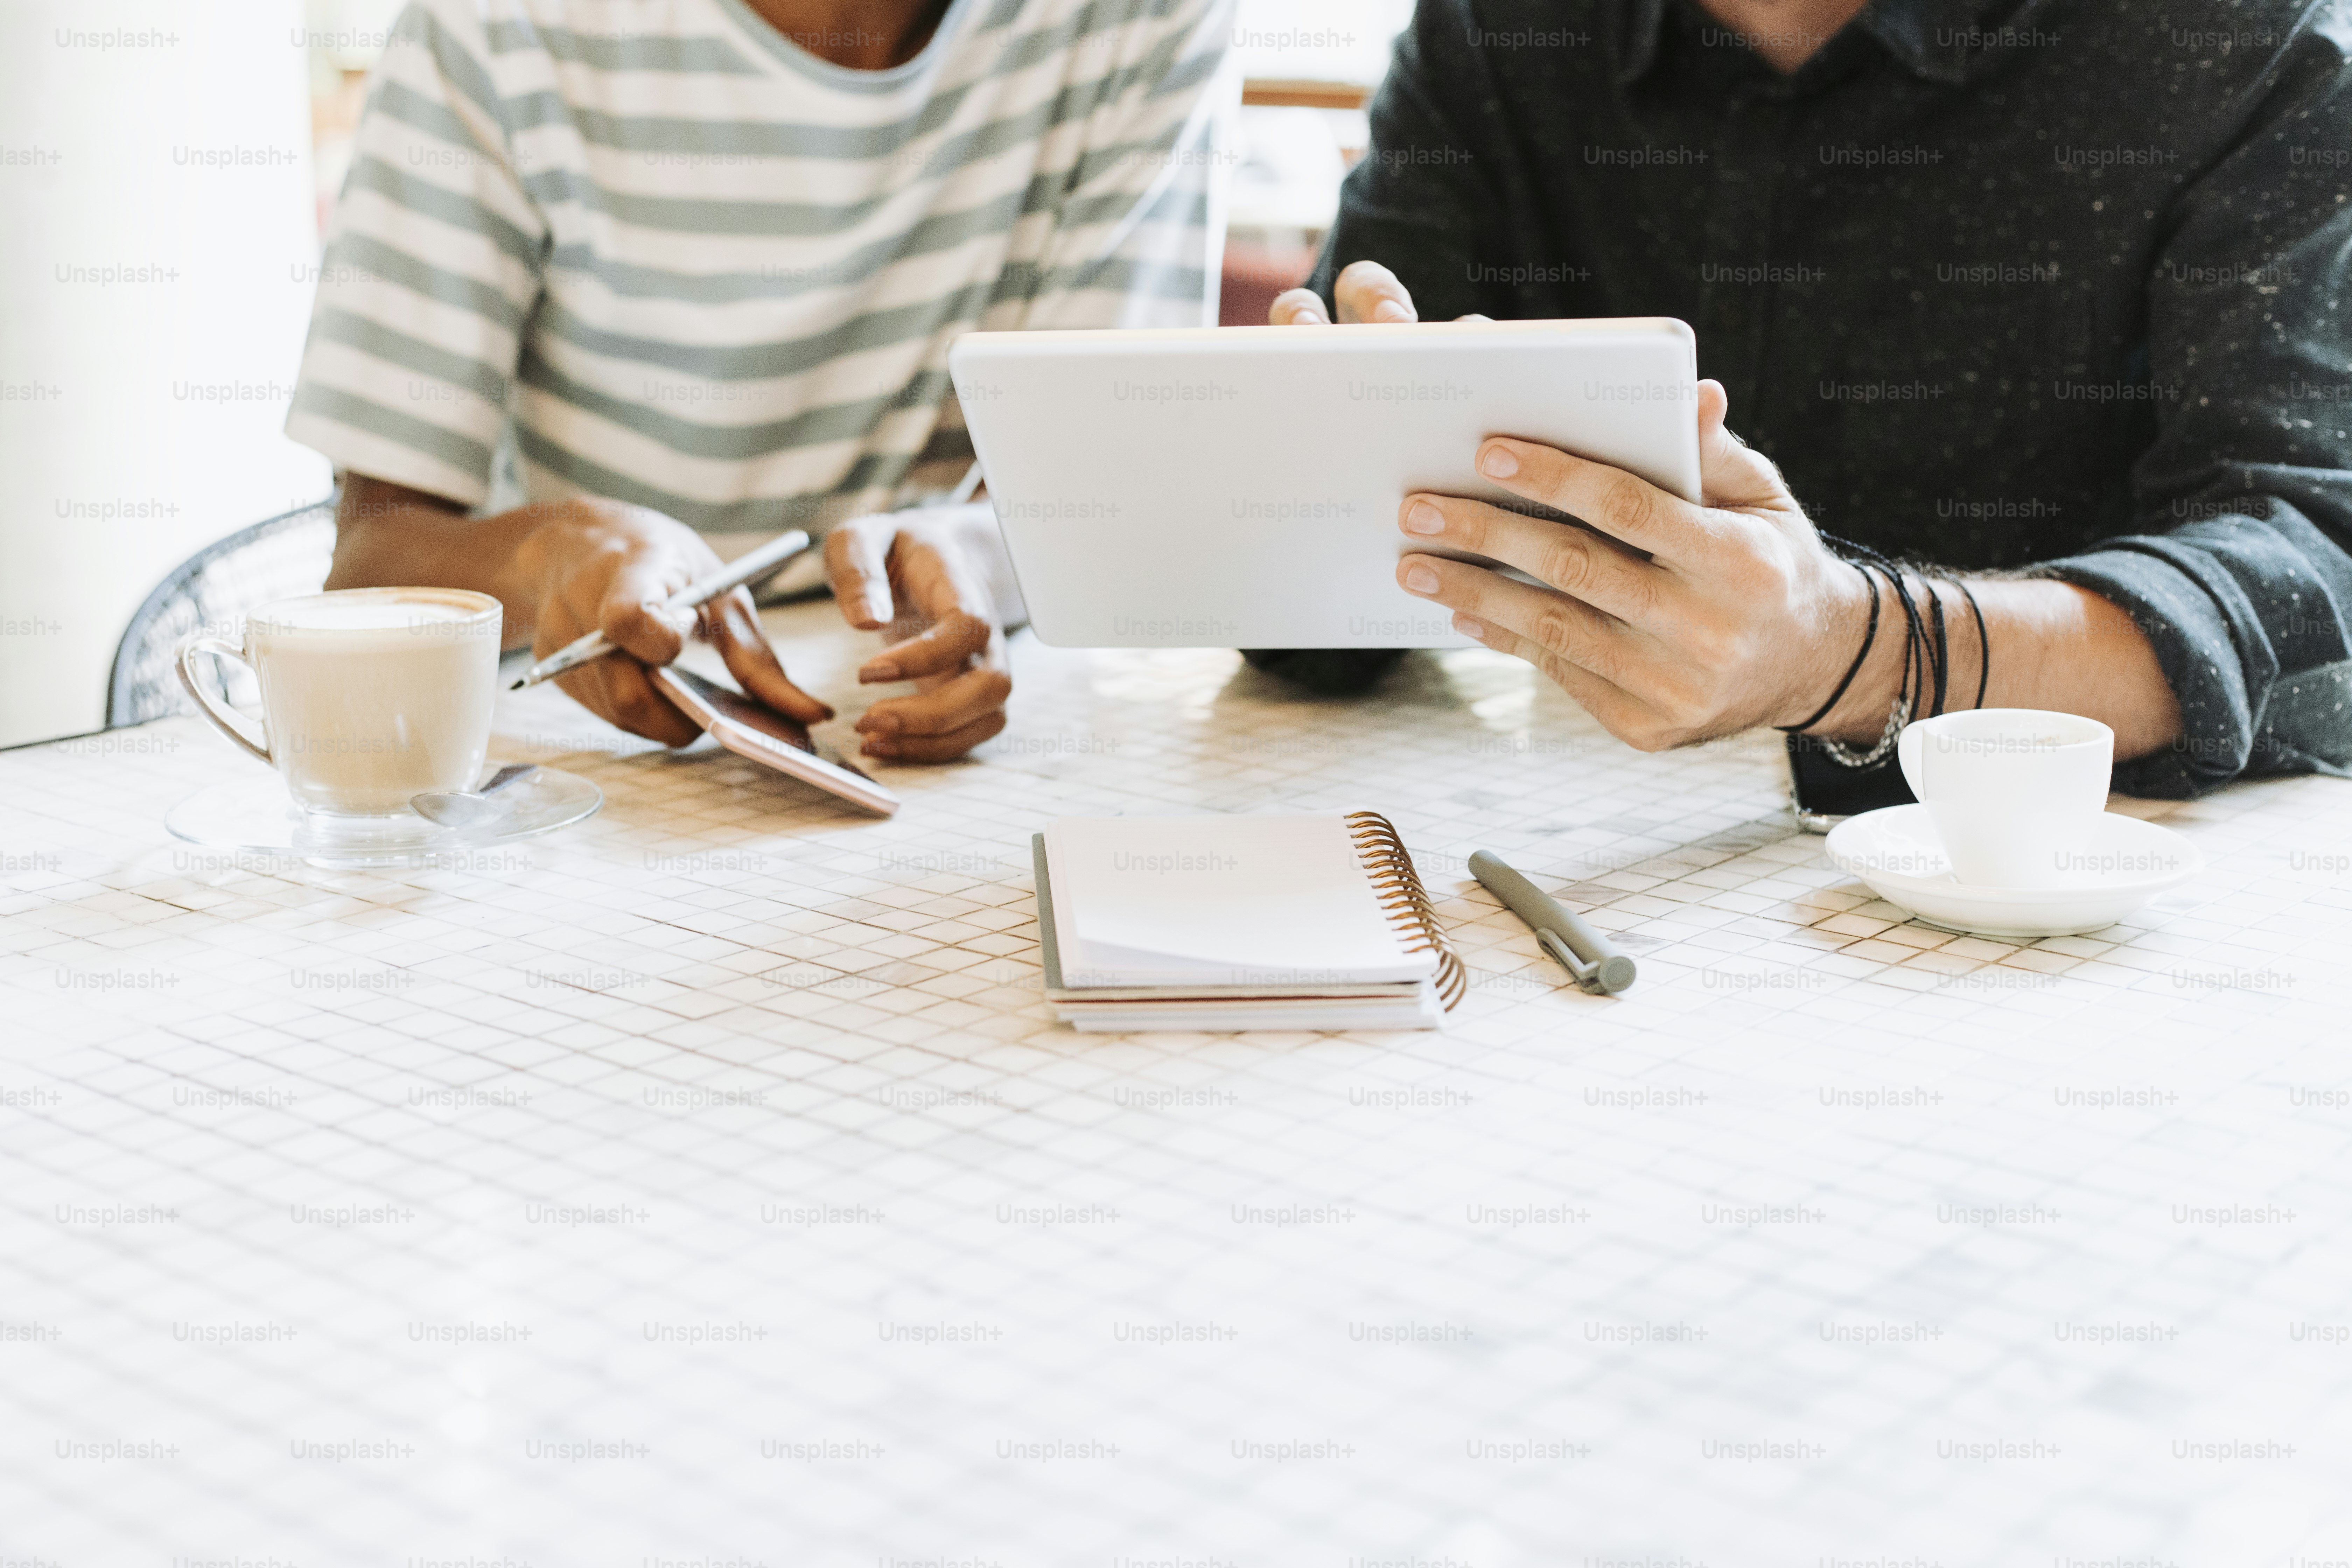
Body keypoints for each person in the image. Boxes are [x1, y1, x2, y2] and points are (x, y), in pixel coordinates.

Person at [1269, 0, 2352, 797]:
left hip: (2064, 876)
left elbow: (2311, 583)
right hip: (1584, 854)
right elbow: (1310, 609)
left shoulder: (2238, 42)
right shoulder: (1495, 34)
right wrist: (1300, 478)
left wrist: (1853, 653)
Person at [289, 0, 1232, 762]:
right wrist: (546, 559)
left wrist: (982, 553)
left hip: (957, 727)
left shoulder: (1141, 20)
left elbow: (1102, 496)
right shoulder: (490, 27)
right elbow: (371, 561)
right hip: (576, 745)